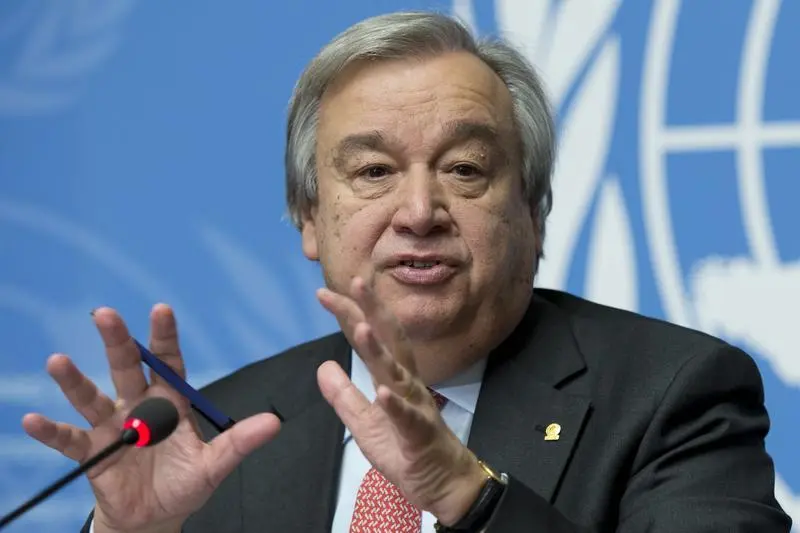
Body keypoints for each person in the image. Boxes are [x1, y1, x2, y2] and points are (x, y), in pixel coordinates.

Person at [20, 10, 790, 533]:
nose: (419, 210)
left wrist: (469, 496)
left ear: (535, 212)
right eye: (375, 171)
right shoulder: (226, 427)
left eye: (464, 168)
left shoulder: (673, 395)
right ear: (309, 220)